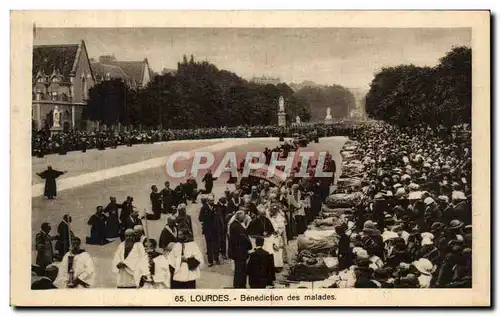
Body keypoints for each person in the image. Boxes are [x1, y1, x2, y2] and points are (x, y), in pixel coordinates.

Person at [228, 210, 252, 288]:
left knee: (240, 269)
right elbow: (243, 238)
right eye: (243, 217)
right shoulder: (236, 226)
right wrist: (249, 245)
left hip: (238, 251)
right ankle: (240, 285)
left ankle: (239, 284)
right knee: (240, 269)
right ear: (239, 217)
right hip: (240, 252)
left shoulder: (235, 224)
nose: (244, 218)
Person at [199, 195, 223, 266]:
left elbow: (219, 217)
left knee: (216, 245)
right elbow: (200, 218)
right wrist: (205, 223)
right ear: (208, 201)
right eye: (210, 201)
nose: (212, 202)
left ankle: (216, 258)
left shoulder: (216, 207)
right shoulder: (204, 208)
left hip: (215, 230)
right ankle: (210, 261)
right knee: (209, 246)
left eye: (213, 200)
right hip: (208, 230)